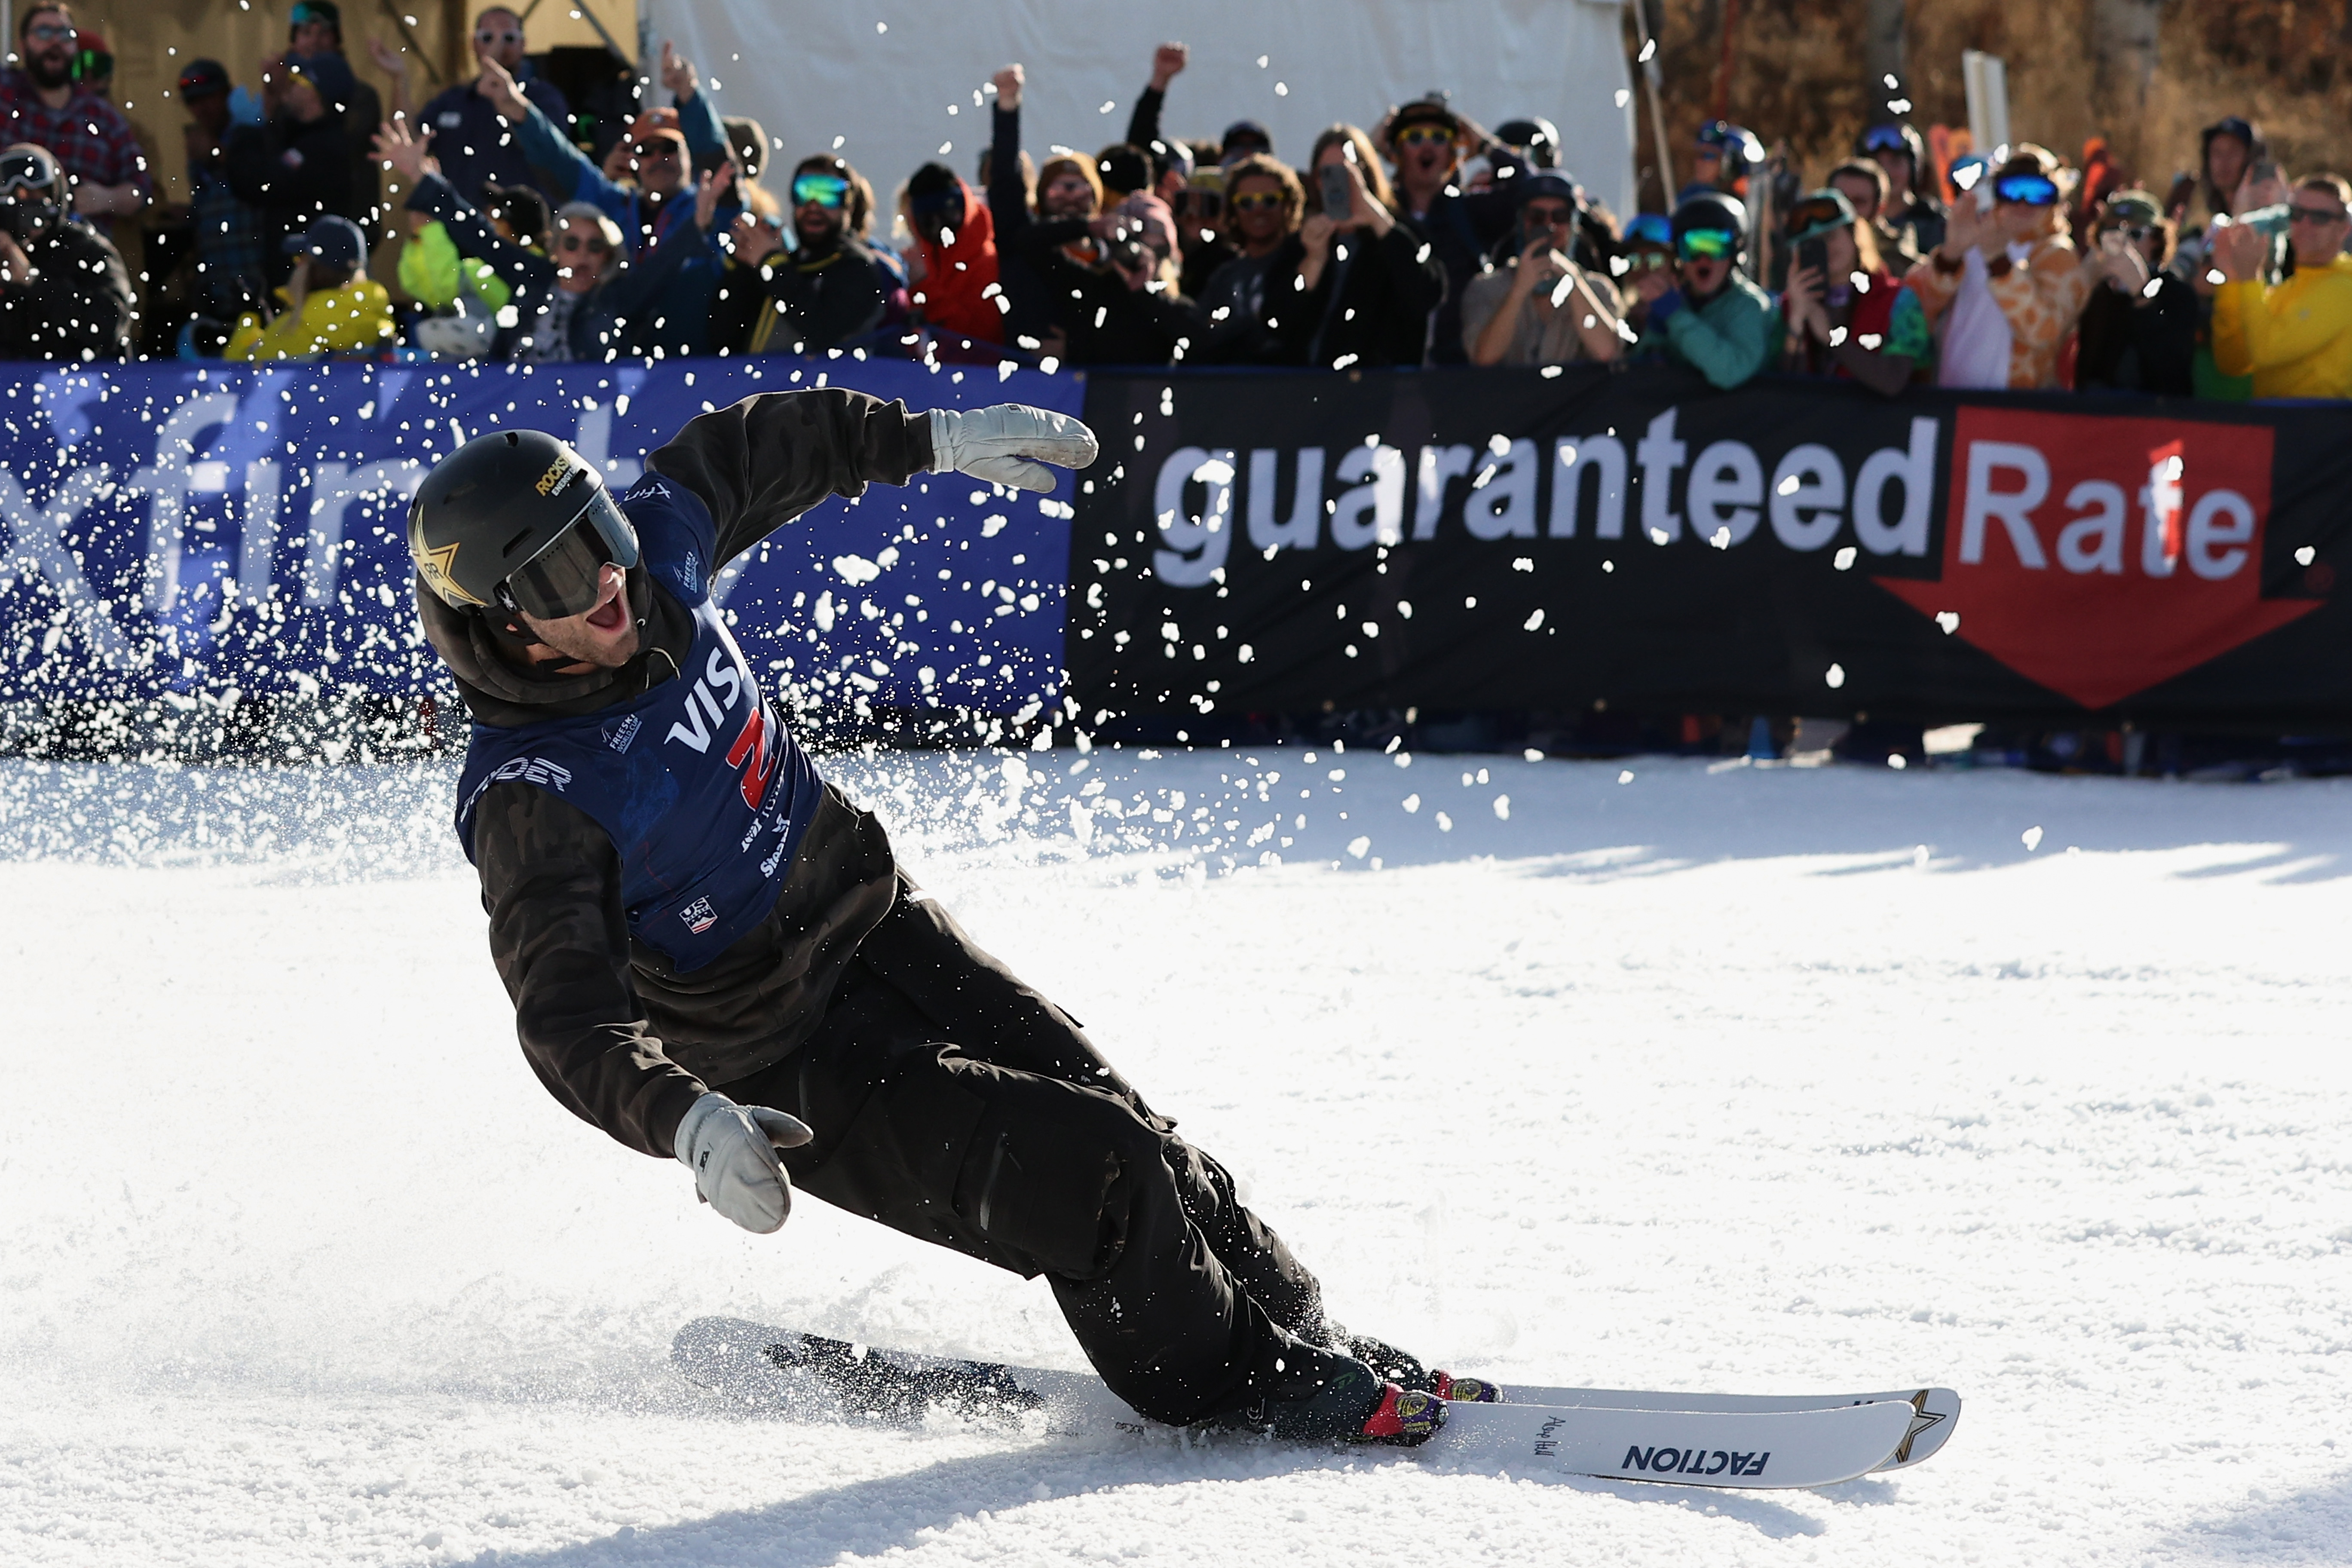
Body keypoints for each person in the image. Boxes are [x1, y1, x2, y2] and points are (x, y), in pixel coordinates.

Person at [404, 396, 1450, 1447]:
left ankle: (1299, 1328)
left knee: (1138, 1131)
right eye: (552, 574)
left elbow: (759, 447)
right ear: (501, 617)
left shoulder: (657, 563)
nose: (601, 581)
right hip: (786, 1061)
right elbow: (566, 1019)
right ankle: (1232, 1389)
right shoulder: (535, 796)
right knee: (1099, 1175)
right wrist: (687, 1119)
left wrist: (925, 441)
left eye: (599, 537)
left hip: (880, 926)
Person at [379, 112, 723, 363]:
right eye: (571, 243)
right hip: (516, 409)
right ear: (556, 250)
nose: (582, 255)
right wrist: (422, 177)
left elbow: (665, 264)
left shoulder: (618, 298)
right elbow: (480, 235)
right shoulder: (534, 278)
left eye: (595, 246)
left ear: (608, 257)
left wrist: (700, 221)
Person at [499, 40, 736, 357]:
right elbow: (562, 162)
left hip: (688, 368)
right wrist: (520, 111)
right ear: (633, 162)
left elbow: (722, 171)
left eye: (669, 149)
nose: (658, 158)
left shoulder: (709, 208)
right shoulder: (611, 205)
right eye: (646, 151)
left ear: (689, 157)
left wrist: (689, 95)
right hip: (615, 368)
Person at [1904, 147, 2097, 391]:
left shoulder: (2058, 256)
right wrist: (1950, 255)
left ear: (2057, 199)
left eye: (2040, 192)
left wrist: (1999, 264)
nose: (2024, 203)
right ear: (1995, 193)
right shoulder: (1974, 238)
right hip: (1951, 401)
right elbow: (1910, 310)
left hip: (2014, 410)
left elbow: (2044, 334)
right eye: (2013, 190)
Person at [1280, 126, 1444, 369]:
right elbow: (1278, 322)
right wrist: (1313, 261)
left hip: (1374, 391)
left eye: (1348, 172)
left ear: (1367, 174)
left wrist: (1379, 222)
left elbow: (1424, 295)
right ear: (1316, 180)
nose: (1338, 183)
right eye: (1327, 174)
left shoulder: (1401, 233)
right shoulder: (1303, 239)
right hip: (1307, 389)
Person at [709, 154, 901, 356]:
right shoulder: (784, 265)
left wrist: (771, 262)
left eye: (828, 194)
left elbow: (822, 329)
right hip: (760, 385)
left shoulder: (858, 266)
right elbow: (722, 339)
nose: (814, 206)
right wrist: (741, 267)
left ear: (849, 204)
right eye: (805, 191)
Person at [1381, 97, 1514, 365]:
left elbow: (1530, 190)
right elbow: (1335, 185)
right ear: (1396, 153)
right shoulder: (1381, 214)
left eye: (1440, 138)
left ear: (1453, 155)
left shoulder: (1470, 211)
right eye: (1415, 137)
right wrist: (1373, 144)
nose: (1428, 145)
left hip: (1458, 373)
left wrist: (1486, 145)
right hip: (1390, 375)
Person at [0, 4, 148, 235]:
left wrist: (106, 198)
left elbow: (141, 191)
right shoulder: (5, 95)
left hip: (80, 257)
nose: (55, 42)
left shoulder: (104, 118)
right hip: (7, 253)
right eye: (44, 32)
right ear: (22, 44)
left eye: (65, 34)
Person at [1460, 171, 1624, 367]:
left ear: (1574, 225)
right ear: (1521, 222)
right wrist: (1519, 291)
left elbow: (1607, 353)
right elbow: (1483, 358)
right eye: (1537, 217)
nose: (1550, 225)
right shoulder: (1486, 288)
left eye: (1560, 216)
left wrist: (1572, 281)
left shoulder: (1599, 290)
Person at [2210, 174, 2352, 399]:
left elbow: (2265, 352)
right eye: (2297, 214)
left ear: (2344, 229)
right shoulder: (2289, 289)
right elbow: (2233, 364)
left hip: (2321, 429)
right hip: (2281, 427)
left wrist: (2249, 276)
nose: (2305, 225)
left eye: (2320, 217)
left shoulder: (2345, 289)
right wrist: (2232, 278)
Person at [413, 6, 573, 207]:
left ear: (524, 44)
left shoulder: (545, 97)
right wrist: (399, 79)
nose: (498, 45)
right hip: (461, 225)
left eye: (509, 38)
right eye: (488, 37)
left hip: (523, 227)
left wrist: (505, 95)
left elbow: (557, 156)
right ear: (474, 44)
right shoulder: (454, 99)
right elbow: (415, 140)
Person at [1776, 188, 1923, 395]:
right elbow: (1782, 394)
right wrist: (1797, 322)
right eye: (1812, 244)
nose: (1825, 248)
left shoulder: (1901, 301)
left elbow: (1893, 381)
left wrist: (1832, 339)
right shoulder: (1789, 306)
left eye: (1830, 236)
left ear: (1855, 234)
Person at [226, 53, 355, 283]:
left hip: (309, 277)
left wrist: (245, 132)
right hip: (295, 272)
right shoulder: (303, 138)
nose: (291, 87)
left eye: (298, 80)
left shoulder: (321, 149)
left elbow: (261, 183)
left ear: (315, 94)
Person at [1632, 191, 1779, 389]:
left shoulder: (1750, 305)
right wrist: (1654, 335)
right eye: (1691, 247)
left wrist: (1674, 315)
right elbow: (1639, 375)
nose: (1703, 259)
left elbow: (1731, 372)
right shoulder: (1677, 300)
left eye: (1716, 245)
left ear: (1734, 253)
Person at [0, 141, 131, 359]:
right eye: (15, 197)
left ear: (55, 195)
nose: (25, 207)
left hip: (84, 385)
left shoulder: (88, 249)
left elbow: (110, 324)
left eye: (35, 195)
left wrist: (33, 280)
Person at [2074, 190, 2196, 396]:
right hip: (2098, 419)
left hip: (2153, 421)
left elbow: (2174, 376)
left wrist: (2141, 294)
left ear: (2157, 239)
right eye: (2112, 233)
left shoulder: (2177, 294)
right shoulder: (2097, 292)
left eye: (2135, 234)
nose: (2124, 243)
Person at [223, 212, 392, 360]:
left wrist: (249, 318)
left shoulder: (303, 323)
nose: (297, 266)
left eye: (301, 259)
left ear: (317, 271)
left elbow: (241, 364)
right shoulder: (377, 313)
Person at [176, 59, 269, 323]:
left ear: (227, 94)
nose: (201, 109)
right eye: (192, 102)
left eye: (209, 98)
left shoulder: (251, 130)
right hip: (216, 283)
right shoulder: (198, 149)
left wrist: (216, 153)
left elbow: (259, 183)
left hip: (254, 277)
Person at [1190, 152, 1302, 365]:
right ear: (1233, 210)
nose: (1258, 210)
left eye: (1270, 201)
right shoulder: (1223, 277)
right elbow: (1202, 340)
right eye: (1246, 202)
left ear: (1289, 205)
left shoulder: (1304, 265)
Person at [281, 1, 383, 234]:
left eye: (324, 34)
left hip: (351, 225)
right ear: (293, 42)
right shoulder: (281, 97)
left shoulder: (362, 96)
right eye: (306, 33)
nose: (315, 42)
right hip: (294, 227)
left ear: (337, 42)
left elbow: (340, 145)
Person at [903, 160, 1002, 349]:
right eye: (928, 219)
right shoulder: (915, 260)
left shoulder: (989, 265)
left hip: (979, 376)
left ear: (965, 210)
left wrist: (924, 285)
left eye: (948, 213)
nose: (939, 226)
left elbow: (978, 343)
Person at [1855, 122, 1945, 259]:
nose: (1886, 172)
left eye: (1895, 162)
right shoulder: (1853, 224)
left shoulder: (1937, 222)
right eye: (1877, 164)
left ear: (1914, 167)